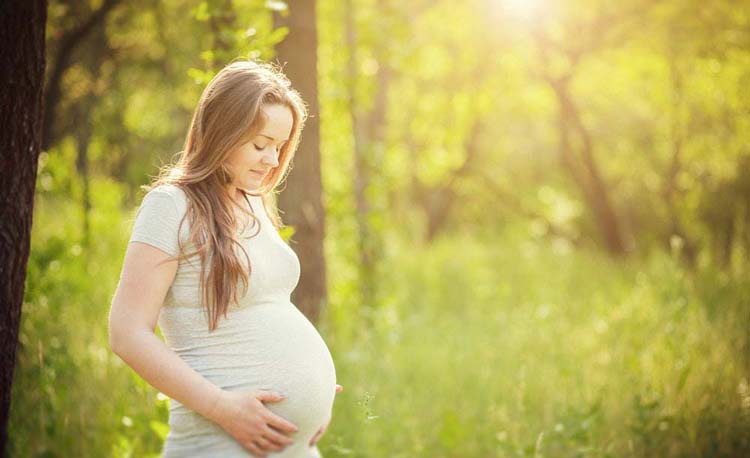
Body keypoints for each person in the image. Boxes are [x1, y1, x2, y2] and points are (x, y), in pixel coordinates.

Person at [108, 59, 342, 457]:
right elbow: (127, 333)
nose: (272, 160)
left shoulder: (252, 201)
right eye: (260, 144)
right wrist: (223, 408)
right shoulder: (171, 206)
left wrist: (315, 392)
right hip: (221, 443)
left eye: (280, 147)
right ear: (222, 132)